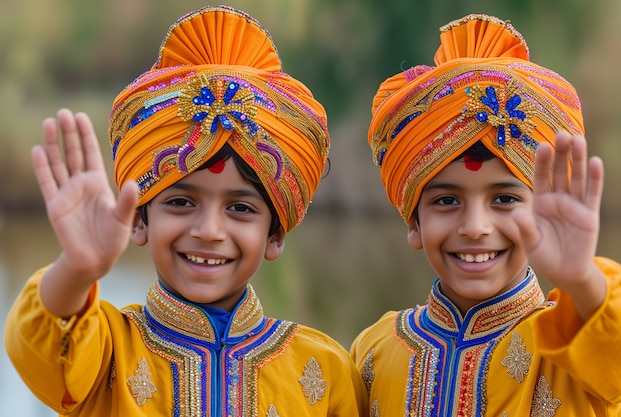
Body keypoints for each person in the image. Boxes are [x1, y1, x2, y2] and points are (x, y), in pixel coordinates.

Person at [4, 5, 367, 417]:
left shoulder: (325, 368)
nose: (209, 230)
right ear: (140, 219)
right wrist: (77, 268)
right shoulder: (104, 351)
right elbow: (35, 341)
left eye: (240, 208)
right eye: (180, 202)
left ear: (276, 234)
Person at [350, 14, 621, 417]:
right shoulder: (374, 349)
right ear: (413, 221)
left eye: (504, 200)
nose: (476, 227)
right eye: (446, 201)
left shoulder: (574, 342)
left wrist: (581, 280)